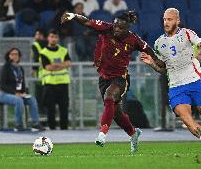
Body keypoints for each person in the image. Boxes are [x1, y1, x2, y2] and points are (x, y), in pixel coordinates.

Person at [61, 10, 163, 153]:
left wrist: (159, 63)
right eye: (115, 25)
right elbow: (86, 22)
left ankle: (102, 134)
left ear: (127, 28)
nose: (116, 29)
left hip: (120, 78)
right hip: (104, 77)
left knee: (109, 96)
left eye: (120, 27)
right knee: (116, 114)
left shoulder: (134, 40)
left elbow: (151, 52)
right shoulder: (106, 27)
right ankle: (134, 134)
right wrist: (73, 16)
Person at [140, 8, 201, 153]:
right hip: (176, 88)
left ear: (177, 21)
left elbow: (200, 44)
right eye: (164, 19)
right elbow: (163, 68)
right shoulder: (158, 43)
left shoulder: (187, 33)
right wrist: (152, 63)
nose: (166, 22)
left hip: (194, 81)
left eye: (170, 19)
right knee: (187, 119)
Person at [0, 48, 44, 132]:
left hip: (17, 94)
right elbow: (2, 85)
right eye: (12, 54)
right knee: (18, 100)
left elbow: (22, 84)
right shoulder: (5, 68)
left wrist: (24, 92)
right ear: (8, 56)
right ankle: (18, 125)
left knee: (32, 99)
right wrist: (15, 93)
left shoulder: (20, 69)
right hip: (3, 93)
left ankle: (36, 124)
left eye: (16, 54)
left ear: (19, 56)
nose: (14, 56)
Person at [40, 29, 72, 130]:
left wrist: (56, 66)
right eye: (51, 37)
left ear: (58, 38)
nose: (54, 39)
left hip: (63, 83)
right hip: (50, 84)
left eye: (55, 37)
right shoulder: (43, 52)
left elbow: (69, 63)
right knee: (51, 109)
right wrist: (62, 65)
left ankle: (64, 129)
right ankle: (52, 129)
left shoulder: (63, 50)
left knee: (64, 108)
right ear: (48, 38)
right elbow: (48, 67)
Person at [31, 29, 47, 114]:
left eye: (38, 34)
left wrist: (34, 69)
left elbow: (36, 58)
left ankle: (40, 110)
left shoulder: (35, 44)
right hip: (48, 73)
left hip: (40, 73)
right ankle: (44, 109)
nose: (36, 36)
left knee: (39, 93)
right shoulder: (49, 43)